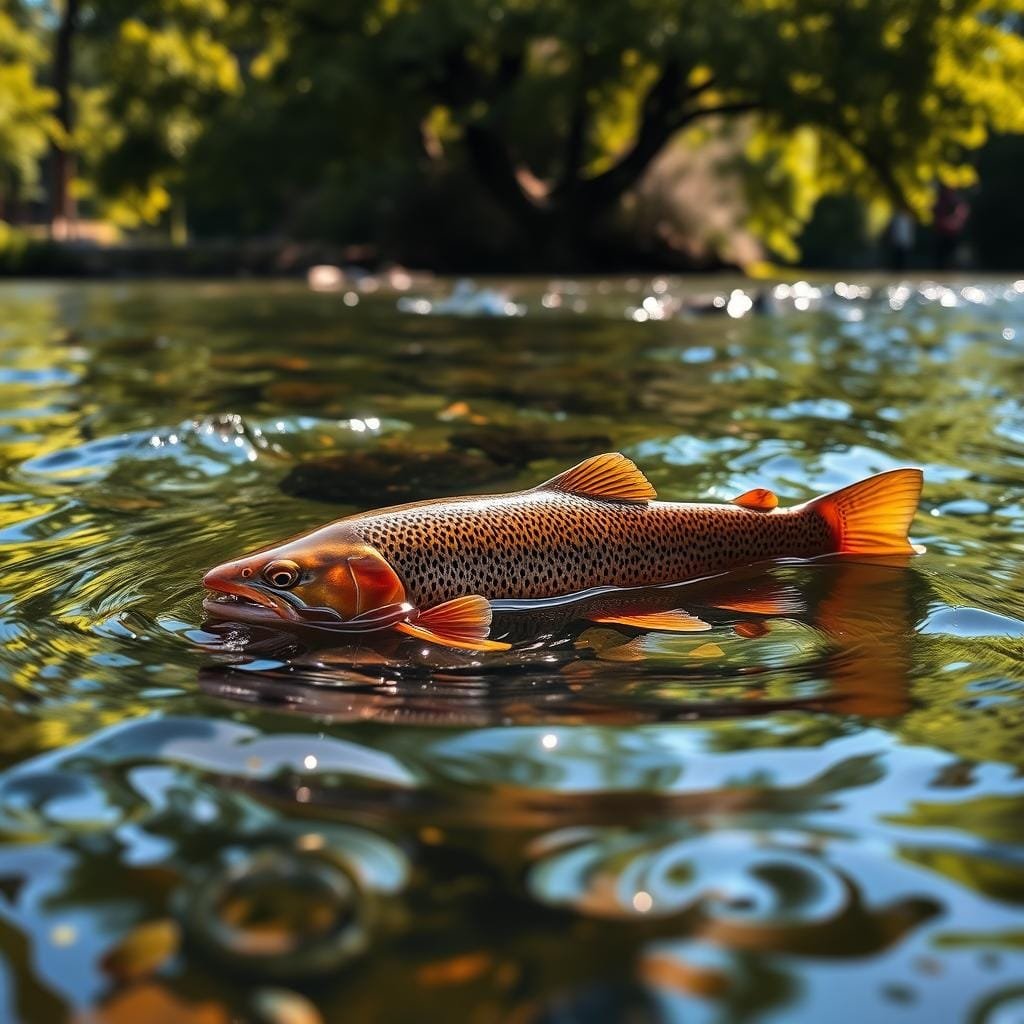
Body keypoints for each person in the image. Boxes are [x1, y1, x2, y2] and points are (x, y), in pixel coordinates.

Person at [933, 185, 969, 269]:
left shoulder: (957, 201)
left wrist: (953, 222)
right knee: (939, 262)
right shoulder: (939, 199)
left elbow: (962, 213)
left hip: (953, 235)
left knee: (953, 261)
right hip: (940, 234)